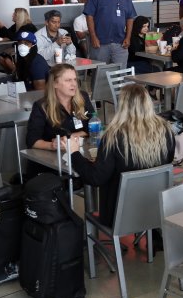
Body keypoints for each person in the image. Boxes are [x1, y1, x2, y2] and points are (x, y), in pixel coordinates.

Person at [69, 84, 173, 226]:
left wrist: (74, 153)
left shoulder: (114, 136)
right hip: (156, 206)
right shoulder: (165, 130)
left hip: (118, 215)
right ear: (148, 103)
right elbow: (168, 161)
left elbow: (96, 178)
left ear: (122, 106)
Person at [26, 63, 95, 152]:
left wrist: (70, 137)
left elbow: (93, 125)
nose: (74, 84)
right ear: (55, 84)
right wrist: (52, 145)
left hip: (79, 152)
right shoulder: (42, 106)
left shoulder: (83, 97)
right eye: (68, 80)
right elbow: (32, 141)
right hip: (50, 158)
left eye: (75, 79)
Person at [85, 0, 136, 67]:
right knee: (100, 77)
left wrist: (128, 37)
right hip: (100, 43)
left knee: (120, 77)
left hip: (120, 44)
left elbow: (130, 17)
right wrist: (93, 37)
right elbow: (89, 16)